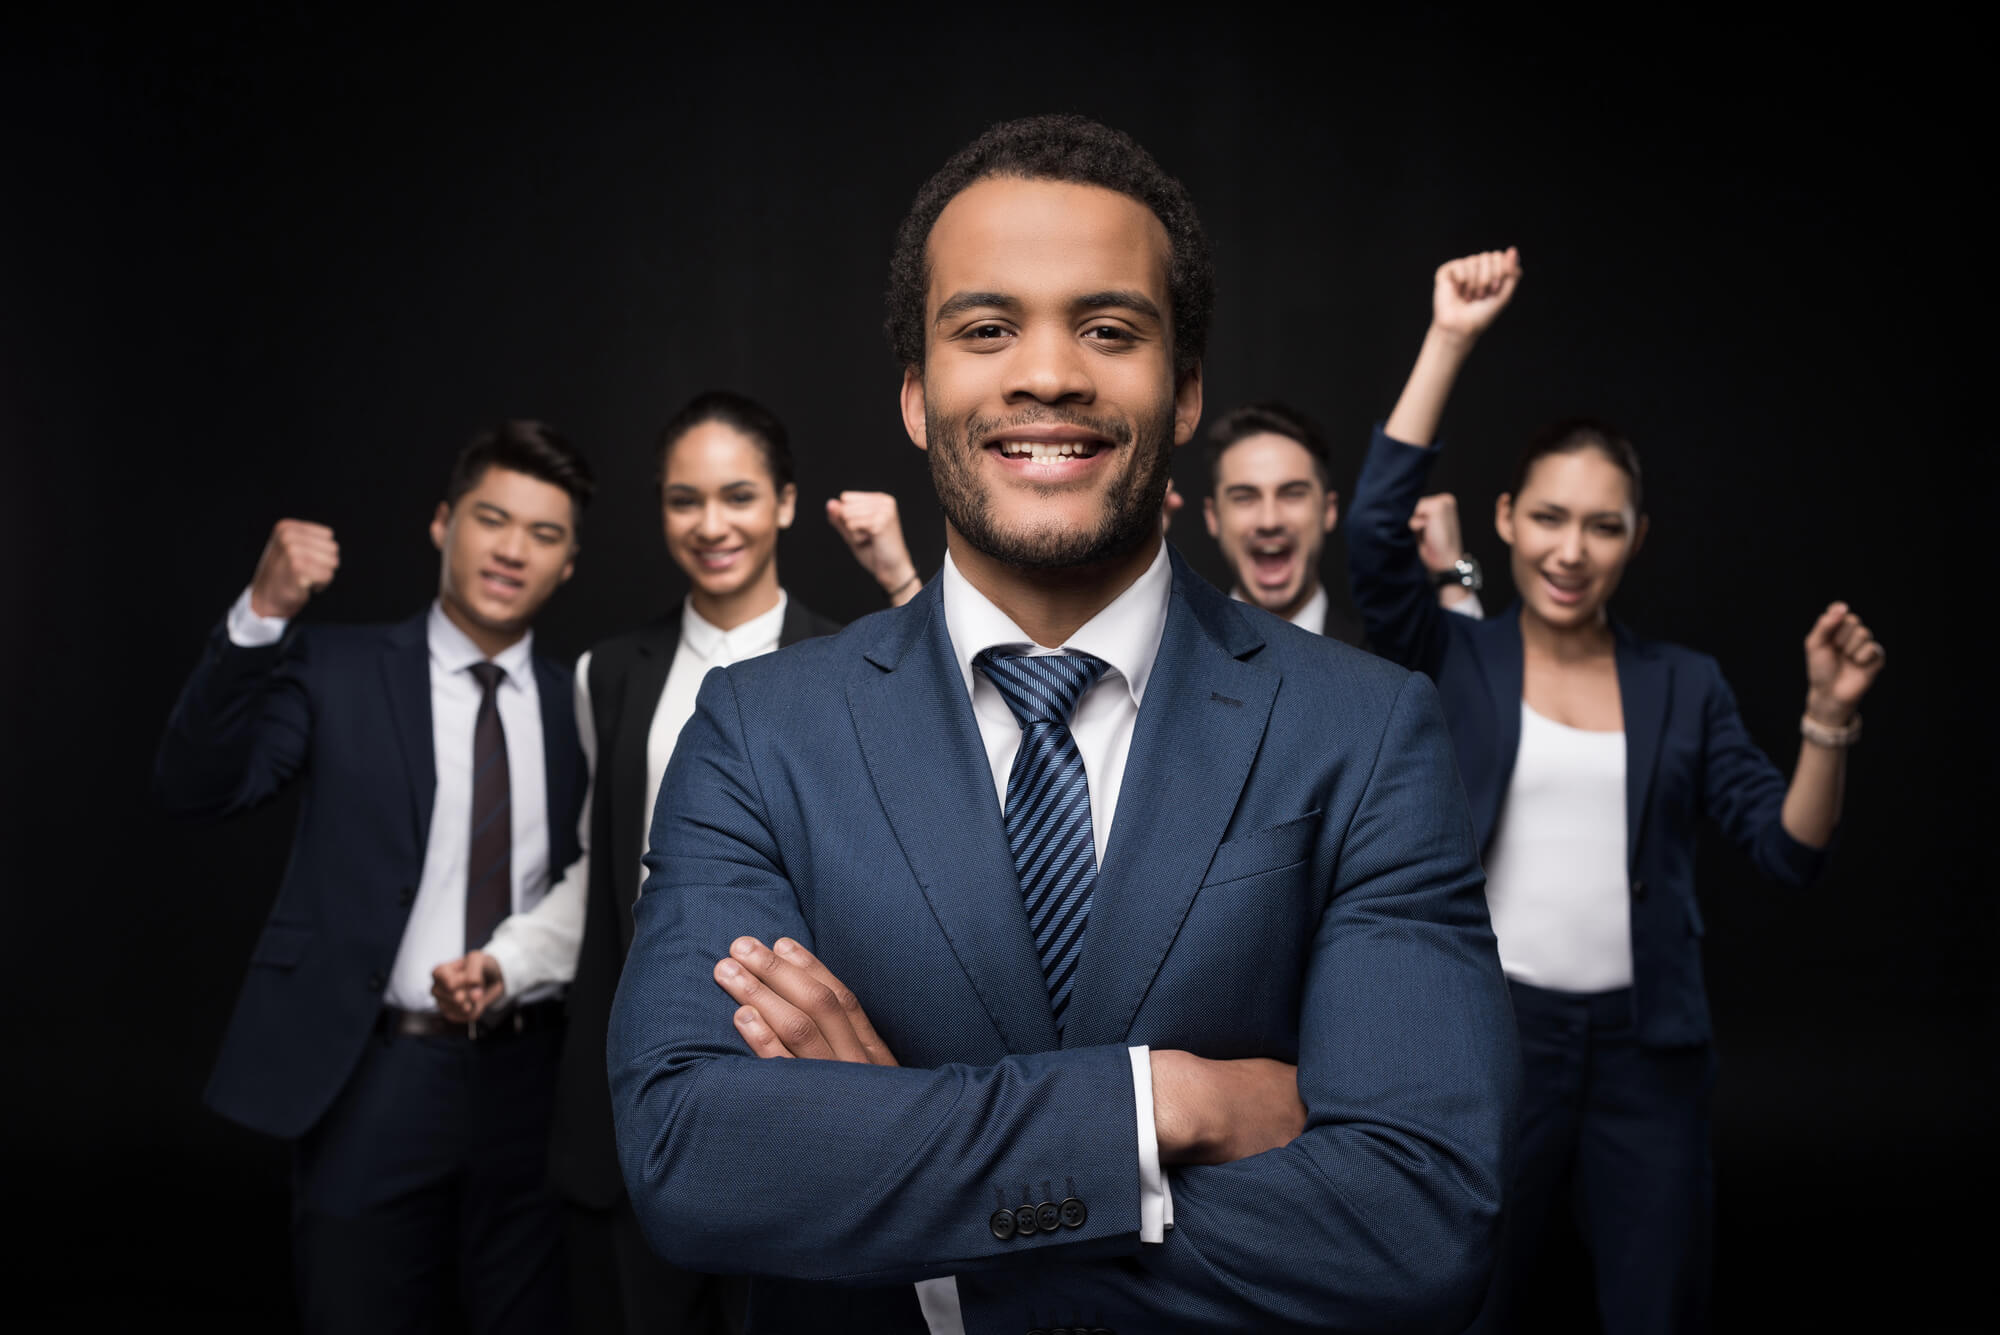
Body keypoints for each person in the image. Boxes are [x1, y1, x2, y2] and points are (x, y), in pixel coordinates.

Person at [606, 113, 1518, 1335]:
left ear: (1183, 391)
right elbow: (690, 1155)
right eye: (986, 329)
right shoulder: (755, 731)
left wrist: (902, 1196)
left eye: (1107, 328)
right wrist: (1155, 1110)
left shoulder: (1364, 730)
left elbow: (1415, 1220)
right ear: (918, 396)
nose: (1048, 373)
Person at [1345, 248, 1886, 1334]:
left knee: (1657, 1301)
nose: (1569, 550)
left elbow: (1789, 853)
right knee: (1467, 1294)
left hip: (1650, 1053)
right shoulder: (1458, 660)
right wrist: (1449, 335)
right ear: (1504, 519)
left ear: (1636, 539)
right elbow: (1369, 532)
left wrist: (1827, 717)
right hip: (1495, 1038)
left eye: (1601, 525)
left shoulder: (1681, 685)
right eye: (1547, 518)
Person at [429, 392, 925, 1334]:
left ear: (783, 503)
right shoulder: (609, 672)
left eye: (737, 496)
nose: (711, 525)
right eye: (683, 500)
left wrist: (900, 576)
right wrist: (509, 961)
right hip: (635, 1094)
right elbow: (601, 870)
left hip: (801, 1089)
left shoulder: (857, 661)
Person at [153, 421, 595, 1332]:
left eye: (543, 534)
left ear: (570, 564)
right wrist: (260, 615)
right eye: (491, 518)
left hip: (535, 1083)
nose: (512, 549)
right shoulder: (336, 669)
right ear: (443, 524)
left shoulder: (580, 701)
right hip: (372, 1077)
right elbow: (196, 786)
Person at [1200, 400, 1484, 643]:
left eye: (1293, 494)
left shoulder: (1384, 659)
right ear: (1213, 517)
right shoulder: (1180, 655)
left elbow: (1468, 691)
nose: (1269, 520)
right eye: (1244, 497)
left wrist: (1451, 577)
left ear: (1329, 510)